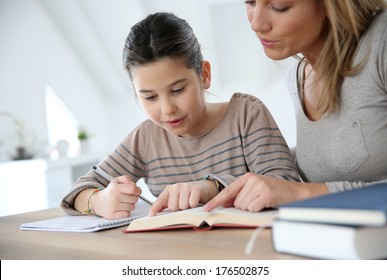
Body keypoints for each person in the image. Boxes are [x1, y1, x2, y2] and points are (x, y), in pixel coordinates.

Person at [60, 12, 299, 219]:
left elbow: (287, 184)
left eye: (177, 90)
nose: (167, 109)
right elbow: (77, 192)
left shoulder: (246, 114)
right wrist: (98, 201)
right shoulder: (147, 137)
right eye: (150, 97)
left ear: (204, 75)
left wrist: (212, 186)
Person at [204, 0, 387, 212]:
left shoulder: (384, 40)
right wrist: (213, 185)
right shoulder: (299, 77)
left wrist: (301, 193)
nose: (256, 24)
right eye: (250, 2)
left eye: (278, 7)